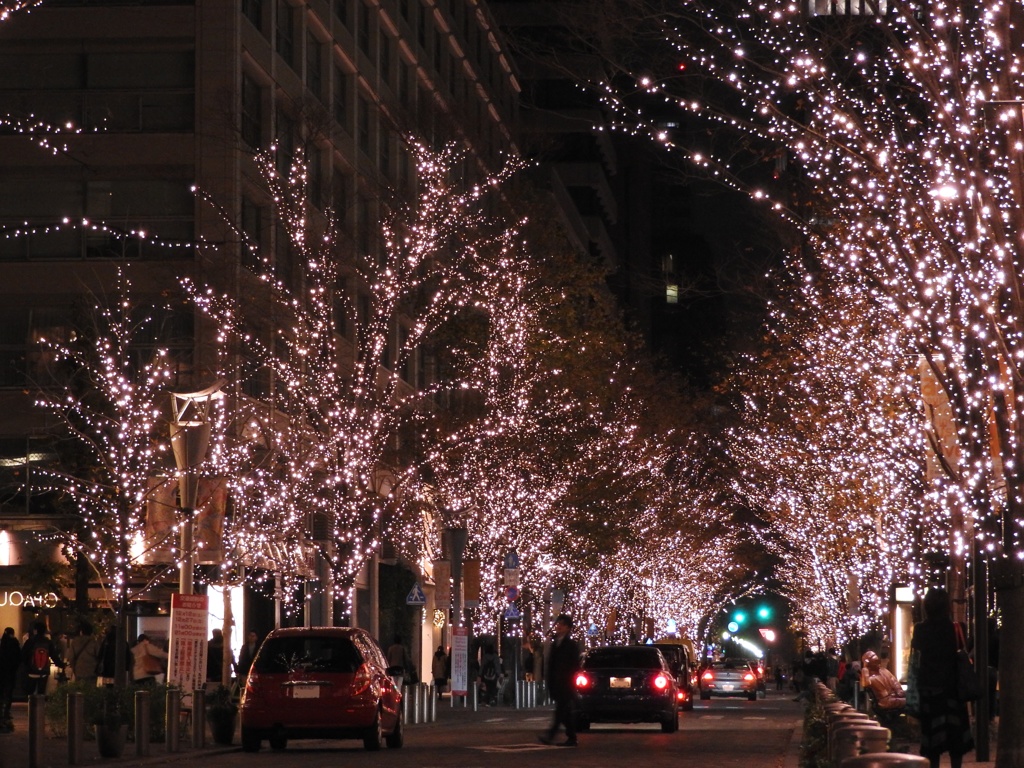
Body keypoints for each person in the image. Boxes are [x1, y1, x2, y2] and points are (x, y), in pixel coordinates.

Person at [911, 587, 974, 768]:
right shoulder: (956, 628)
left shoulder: (921, 629)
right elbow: (964, 650)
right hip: (952, 689)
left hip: (929, 690)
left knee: (932, 743)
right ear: (947, 606)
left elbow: (916, 654)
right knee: (956, 740)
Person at [538, 613, 580, 747]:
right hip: (556, 683)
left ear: (568, 628)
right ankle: (572, 737)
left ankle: (551, 735)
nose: (558, 627)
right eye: (558, 624)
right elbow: (551, 664)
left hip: (566, 683)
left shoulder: (571, 645)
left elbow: (574, 665)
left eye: (562, 625)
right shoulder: (555, 643)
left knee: (560, 711)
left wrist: (569, 680)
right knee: (564, 712)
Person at [22, 621, 63, 696]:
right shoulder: (48, 642)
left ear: (35, 630)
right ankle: (40, 706)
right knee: (41, 693)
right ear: (44, 631)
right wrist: (61, 664)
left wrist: (26, 666)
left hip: (31, 671)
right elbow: (54, 656)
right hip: (44, 672)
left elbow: (23, 655)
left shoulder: (30, 641)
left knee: (30, 693)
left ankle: (31, 706)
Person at [67, 620, 99, 688]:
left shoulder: (74, 642)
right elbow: (99, 656)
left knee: (79, 691)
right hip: (92, 671)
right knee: (91, 691)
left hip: (79, 671)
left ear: (81, 632)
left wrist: (74, 668)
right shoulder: (94, 643)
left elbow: (71, 657)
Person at [0, 627, 21, 730]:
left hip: (2, 672)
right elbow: (18, 657)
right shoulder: (14, 643)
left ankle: (2, 714)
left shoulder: (2, 643)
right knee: (8, 693)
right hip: (11, 672)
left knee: (2, 693)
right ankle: (6, 712)